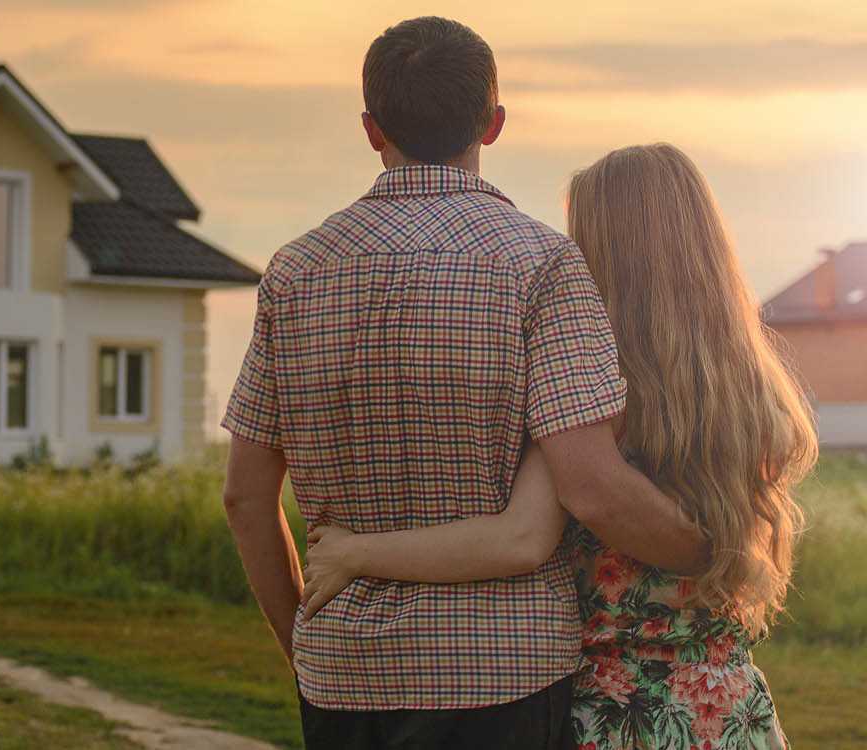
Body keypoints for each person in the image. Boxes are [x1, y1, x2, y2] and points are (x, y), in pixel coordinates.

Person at [220, 16, 709, 749]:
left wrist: (307, 642)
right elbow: (592, 485)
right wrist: (719, 551)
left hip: (344, 671)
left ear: (370, 128)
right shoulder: (540, 264)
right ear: (493, 123)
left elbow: (245, 496)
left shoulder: (294, 273)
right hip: (504, 673)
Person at [300, 143, 816, 749]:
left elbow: (519, 537)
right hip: (730, 709)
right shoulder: (757, 394)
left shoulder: (588, 394)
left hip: (616, 716)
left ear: (601, 252)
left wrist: (355, 553)